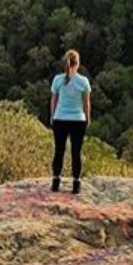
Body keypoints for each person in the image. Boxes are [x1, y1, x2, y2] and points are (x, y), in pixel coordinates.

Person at [49, 48, 91, 194]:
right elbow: (86, 103)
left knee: (59, 151)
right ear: (78, 63)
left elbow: (54, 100)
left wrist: (52, 116)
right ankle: (76, 183)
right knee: (76, 152)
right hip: (78, 120)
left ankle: (56, 181)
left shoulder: (58, 80)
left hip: (60, 118)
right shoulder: (83, 81)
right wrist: (88, 118)